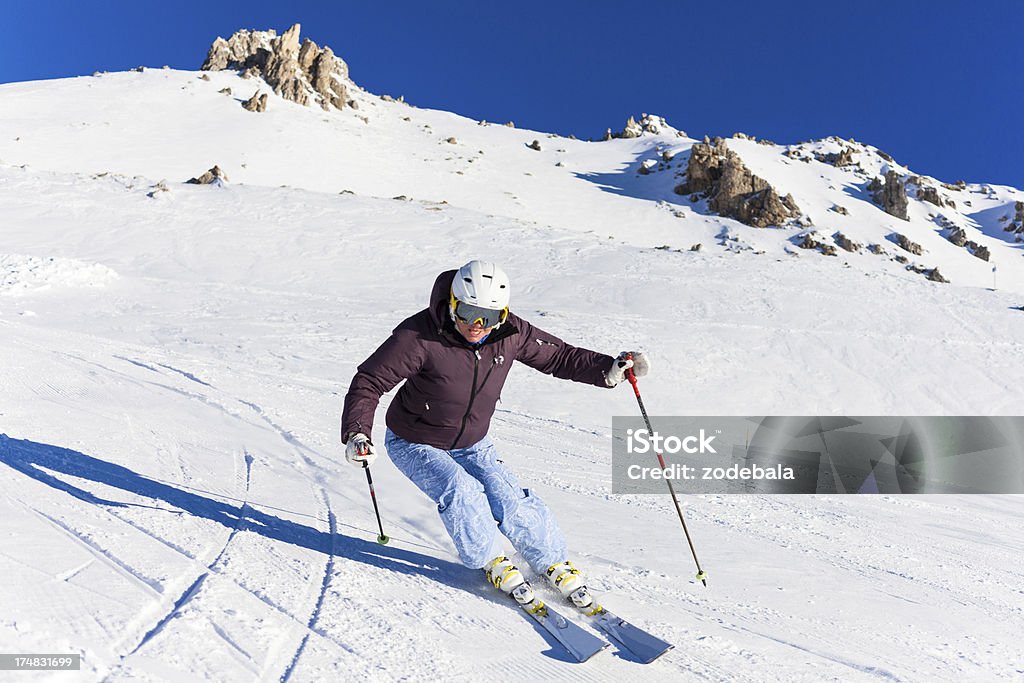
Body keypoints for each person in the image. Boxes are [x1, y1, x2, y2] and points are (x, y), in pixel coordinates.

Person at [341, 260, 649, 610]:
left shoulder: (510, 333)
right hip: (415, 440)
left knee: (508, 496)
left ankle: (552, 561)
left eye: (487, 316)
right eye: (468, 312)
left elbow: (559, 356)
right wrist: (357, 432)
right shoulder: (418, 336)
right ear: (453, 303)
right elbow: (369, 381)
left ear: (502, 314)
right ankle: (491, 559)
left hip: (473, 442)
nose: (476, 325)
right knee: (462, 491)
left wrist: (608, 370)